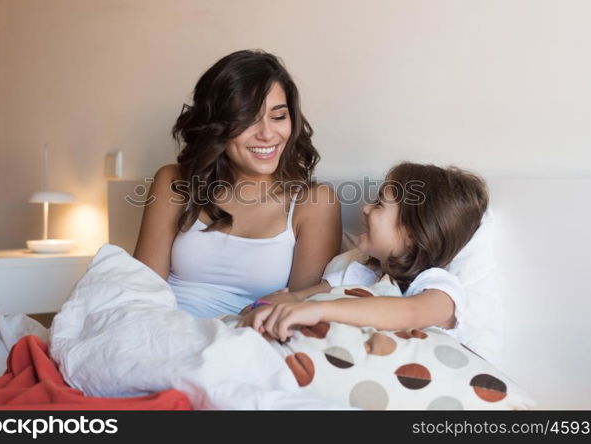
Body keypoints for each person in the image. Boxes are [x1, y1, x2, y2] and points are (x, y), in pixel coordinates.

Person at [133, 50, 342, 318]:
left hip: (248, 339)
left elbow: (299, 313)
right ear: (216, 125)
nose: (267, 134)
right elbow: (141, 291)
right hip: (162, 330)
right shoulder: (174, 182)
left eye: (278, 117)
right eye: (248, 120)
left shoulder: (314, 203)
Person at [238, 162, 489, 344]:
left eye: (379, 204)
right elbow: (299, 298)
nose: (366, 209)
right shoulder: (357, 271)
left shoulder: (435, 284)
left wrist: (322, 311)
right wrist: (264, 305)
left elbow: (411, 313)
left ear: (412, 232)